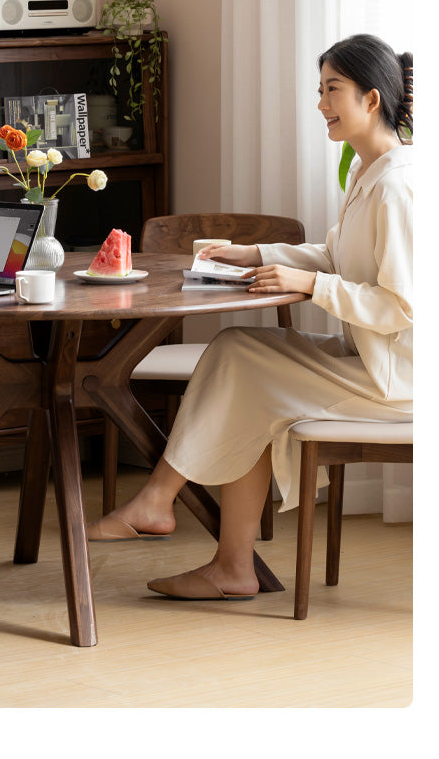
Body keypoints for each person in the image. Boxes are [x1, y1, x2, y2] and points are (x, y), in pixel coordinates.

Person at [86, 33, 413, 601]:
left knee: (243, 365)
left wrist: (310, 285)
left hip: (400, 379)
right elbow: (338, 259)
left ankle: (164, 506)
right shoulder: (368, 173)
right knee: (238, 350)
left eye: (332, 90)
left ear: (372, 99)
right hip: (371, 359)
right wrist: (256, 254)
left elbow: (403, 306)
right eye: (319, 91)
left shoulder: (399, 187)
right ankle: (221, 557)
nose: (321, 105)